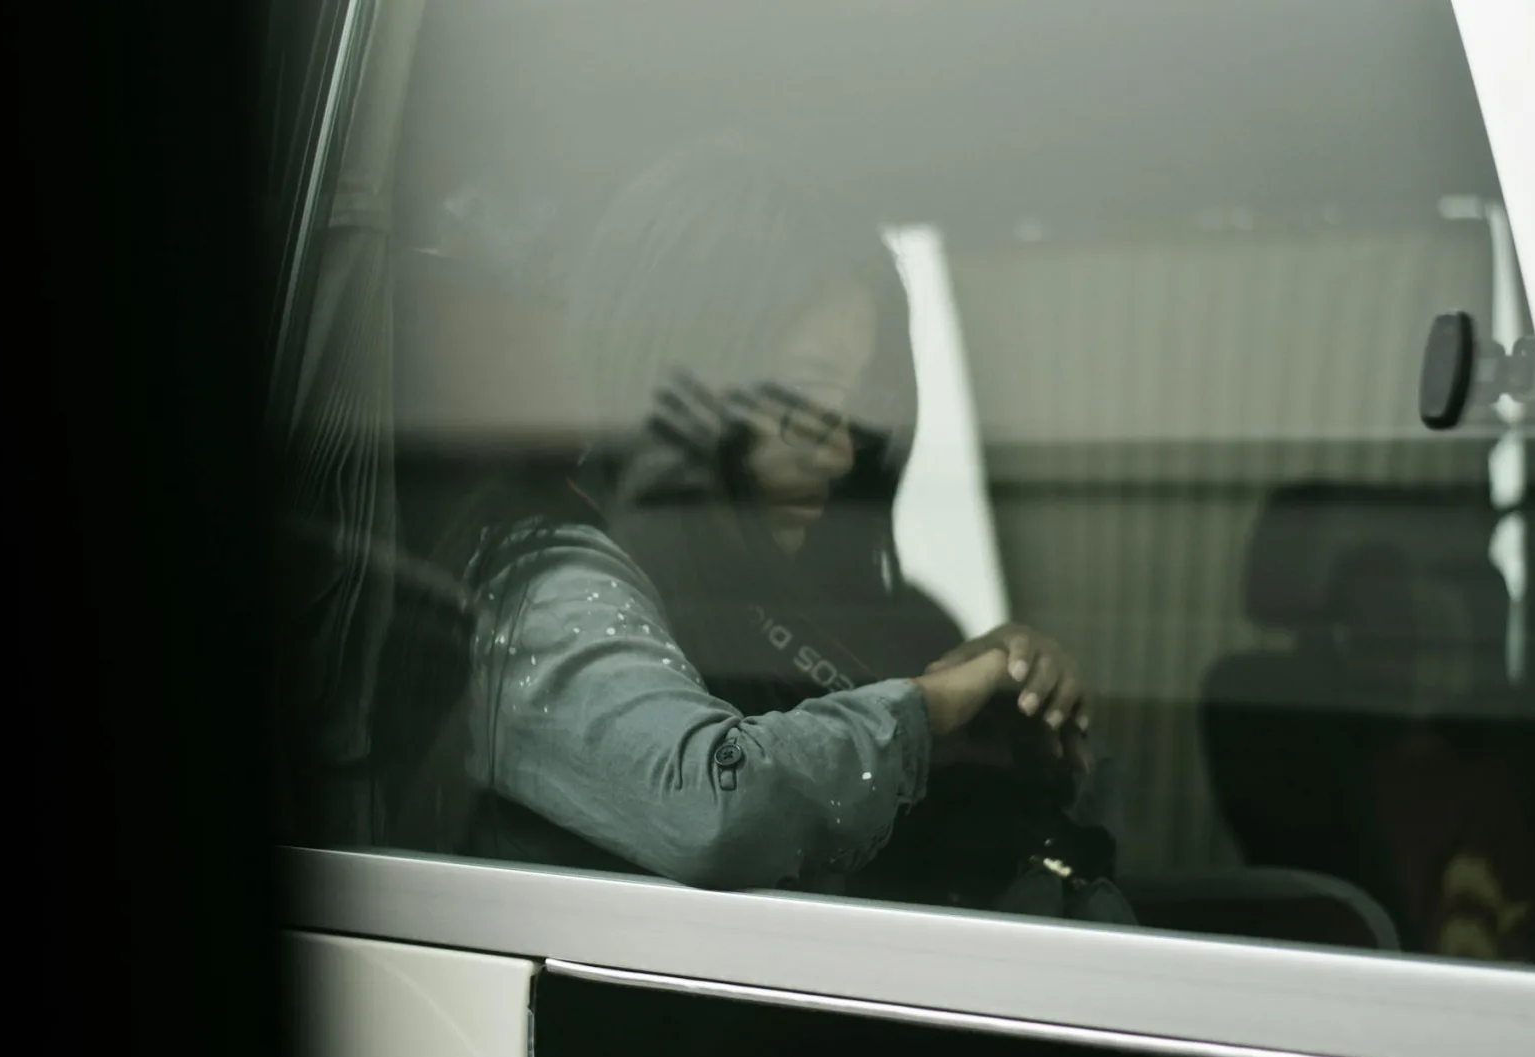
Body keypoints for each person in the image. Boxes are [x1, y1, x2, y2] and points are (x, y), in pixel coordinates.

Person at [382, 139, 1125, 915]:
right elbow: (717, 810)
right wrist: (930, 706)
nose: (840, 452)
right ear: (679, 374)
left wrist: (1008, 736)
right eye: (804, 394)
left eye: (854, 407)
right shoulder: (552, 589)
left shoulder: (810, 604)